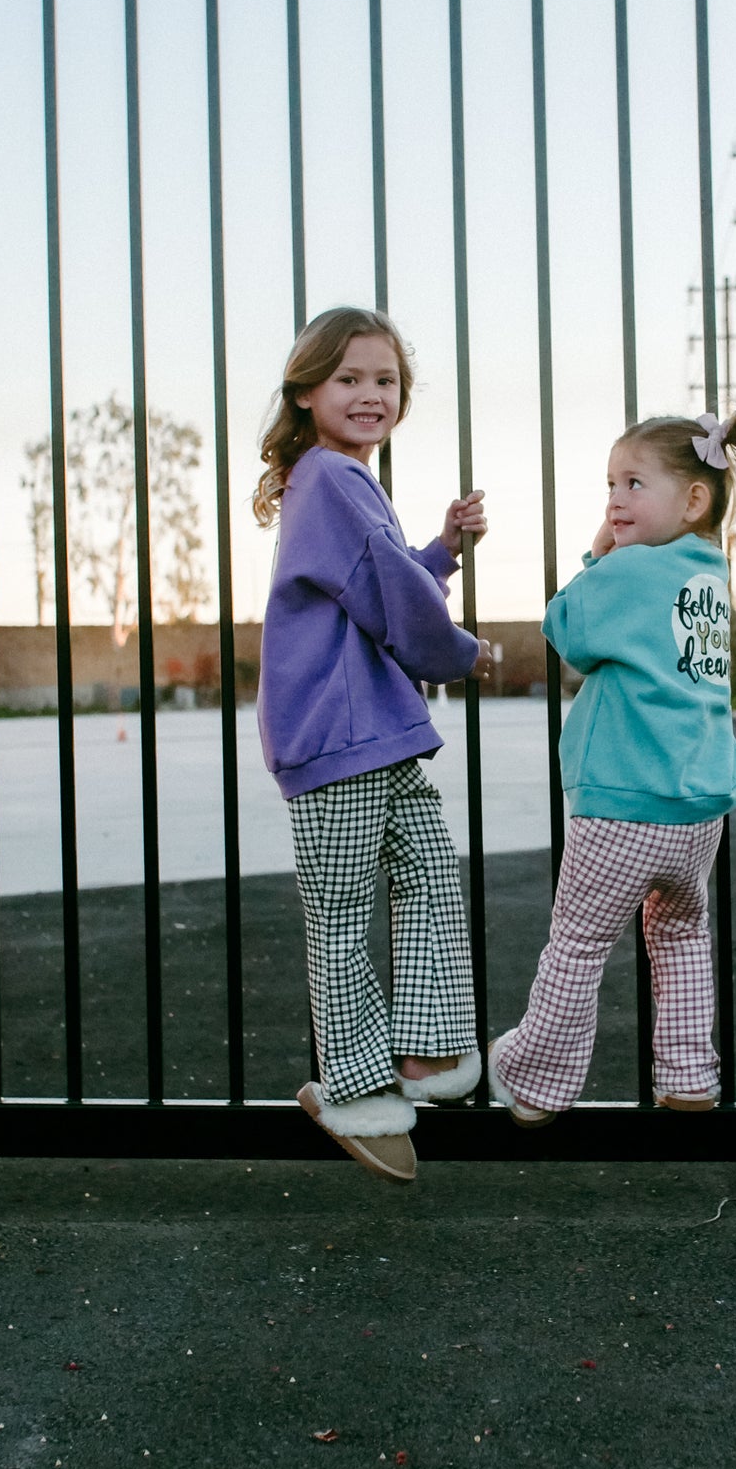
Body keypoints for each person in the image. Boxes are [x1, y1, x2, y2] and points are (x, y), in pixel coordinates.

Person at [254, 306, 491, 1182]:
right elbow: (390, 598)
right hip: (339, 732)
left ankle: (426, 1050)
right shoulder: (330, 479)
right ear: (307, 390)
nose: (369, 394)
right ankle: (353, 1085)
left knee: (429, 873)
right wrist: (464, 652)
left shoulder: (341, 482)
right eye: (348, 378)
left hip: (372, 730)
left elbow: (378, 579)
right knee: (345, 916)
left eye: (384, 380)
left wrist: (442, 547)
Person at [488, 410, 736, 1124]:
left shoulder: (633, 568)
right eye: (610, 484)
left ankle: (537, 1082)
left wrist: (593, 556)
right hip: (698, 810)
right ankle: (686, 1076)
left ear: (693, 500)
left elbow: (567, 632)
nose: (614, 501)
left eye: (634, 483)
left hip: (623, 804)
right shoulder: (707, 571)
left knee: (577, 945)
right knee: (679, 938)